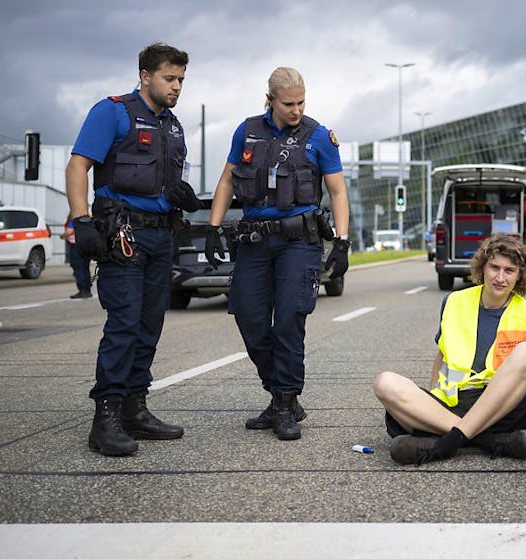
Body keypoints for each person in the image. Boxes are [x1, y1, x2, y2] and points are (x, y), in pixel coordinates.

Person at [66, 43, 200, 457]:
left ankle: (134, 409)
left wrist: (184, 197)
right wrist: (81, 219)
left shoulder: (174, 127)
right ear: (145, 76)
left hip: (161, 237)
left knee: (149, 326)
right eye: (169, 78)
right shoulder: (112, 111)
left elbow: (171, 182)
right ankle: (104, 418)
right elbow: (77, 166)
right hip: (123, 236)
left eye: (181, 79)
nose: (177, 86)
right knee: (123, 326)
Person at [205, 67, 350, 441]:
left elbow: (337, 191)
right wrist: (213, 227)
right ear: (269, 99)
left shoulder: (319, 136)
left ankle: (285, 402)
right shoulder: (247, 130)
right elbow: (226, 179)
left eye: (302, 102)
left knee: (288, 320)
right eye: (288, 103)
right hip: (254, 242)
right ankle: (280, 393)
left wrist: (343, 242)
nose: (296, 109)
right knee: (249, 318)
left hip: (299, 243)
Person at [373, 234, 526, 465]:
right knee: (384, 382)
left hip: (500, 409)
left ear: (519, 276)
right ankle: (486, 441)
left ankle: (444, 443)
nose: (500, 277)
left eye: (509, 270)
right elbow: (442, 355)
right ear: (482, 267)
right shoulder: (454, 301)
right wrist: (432, 399)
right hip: (454, 404)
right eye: (494, 267)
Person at [61, 216, 92, 299]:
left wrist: (63, 235)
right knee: (85, 267)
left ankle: (82, 290)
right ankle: (87, 290)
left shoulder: (74, 218)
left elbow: (69, 231)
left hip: (76, 245)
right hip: (86, 245)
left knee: (78, 267)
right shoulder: (87, 217)